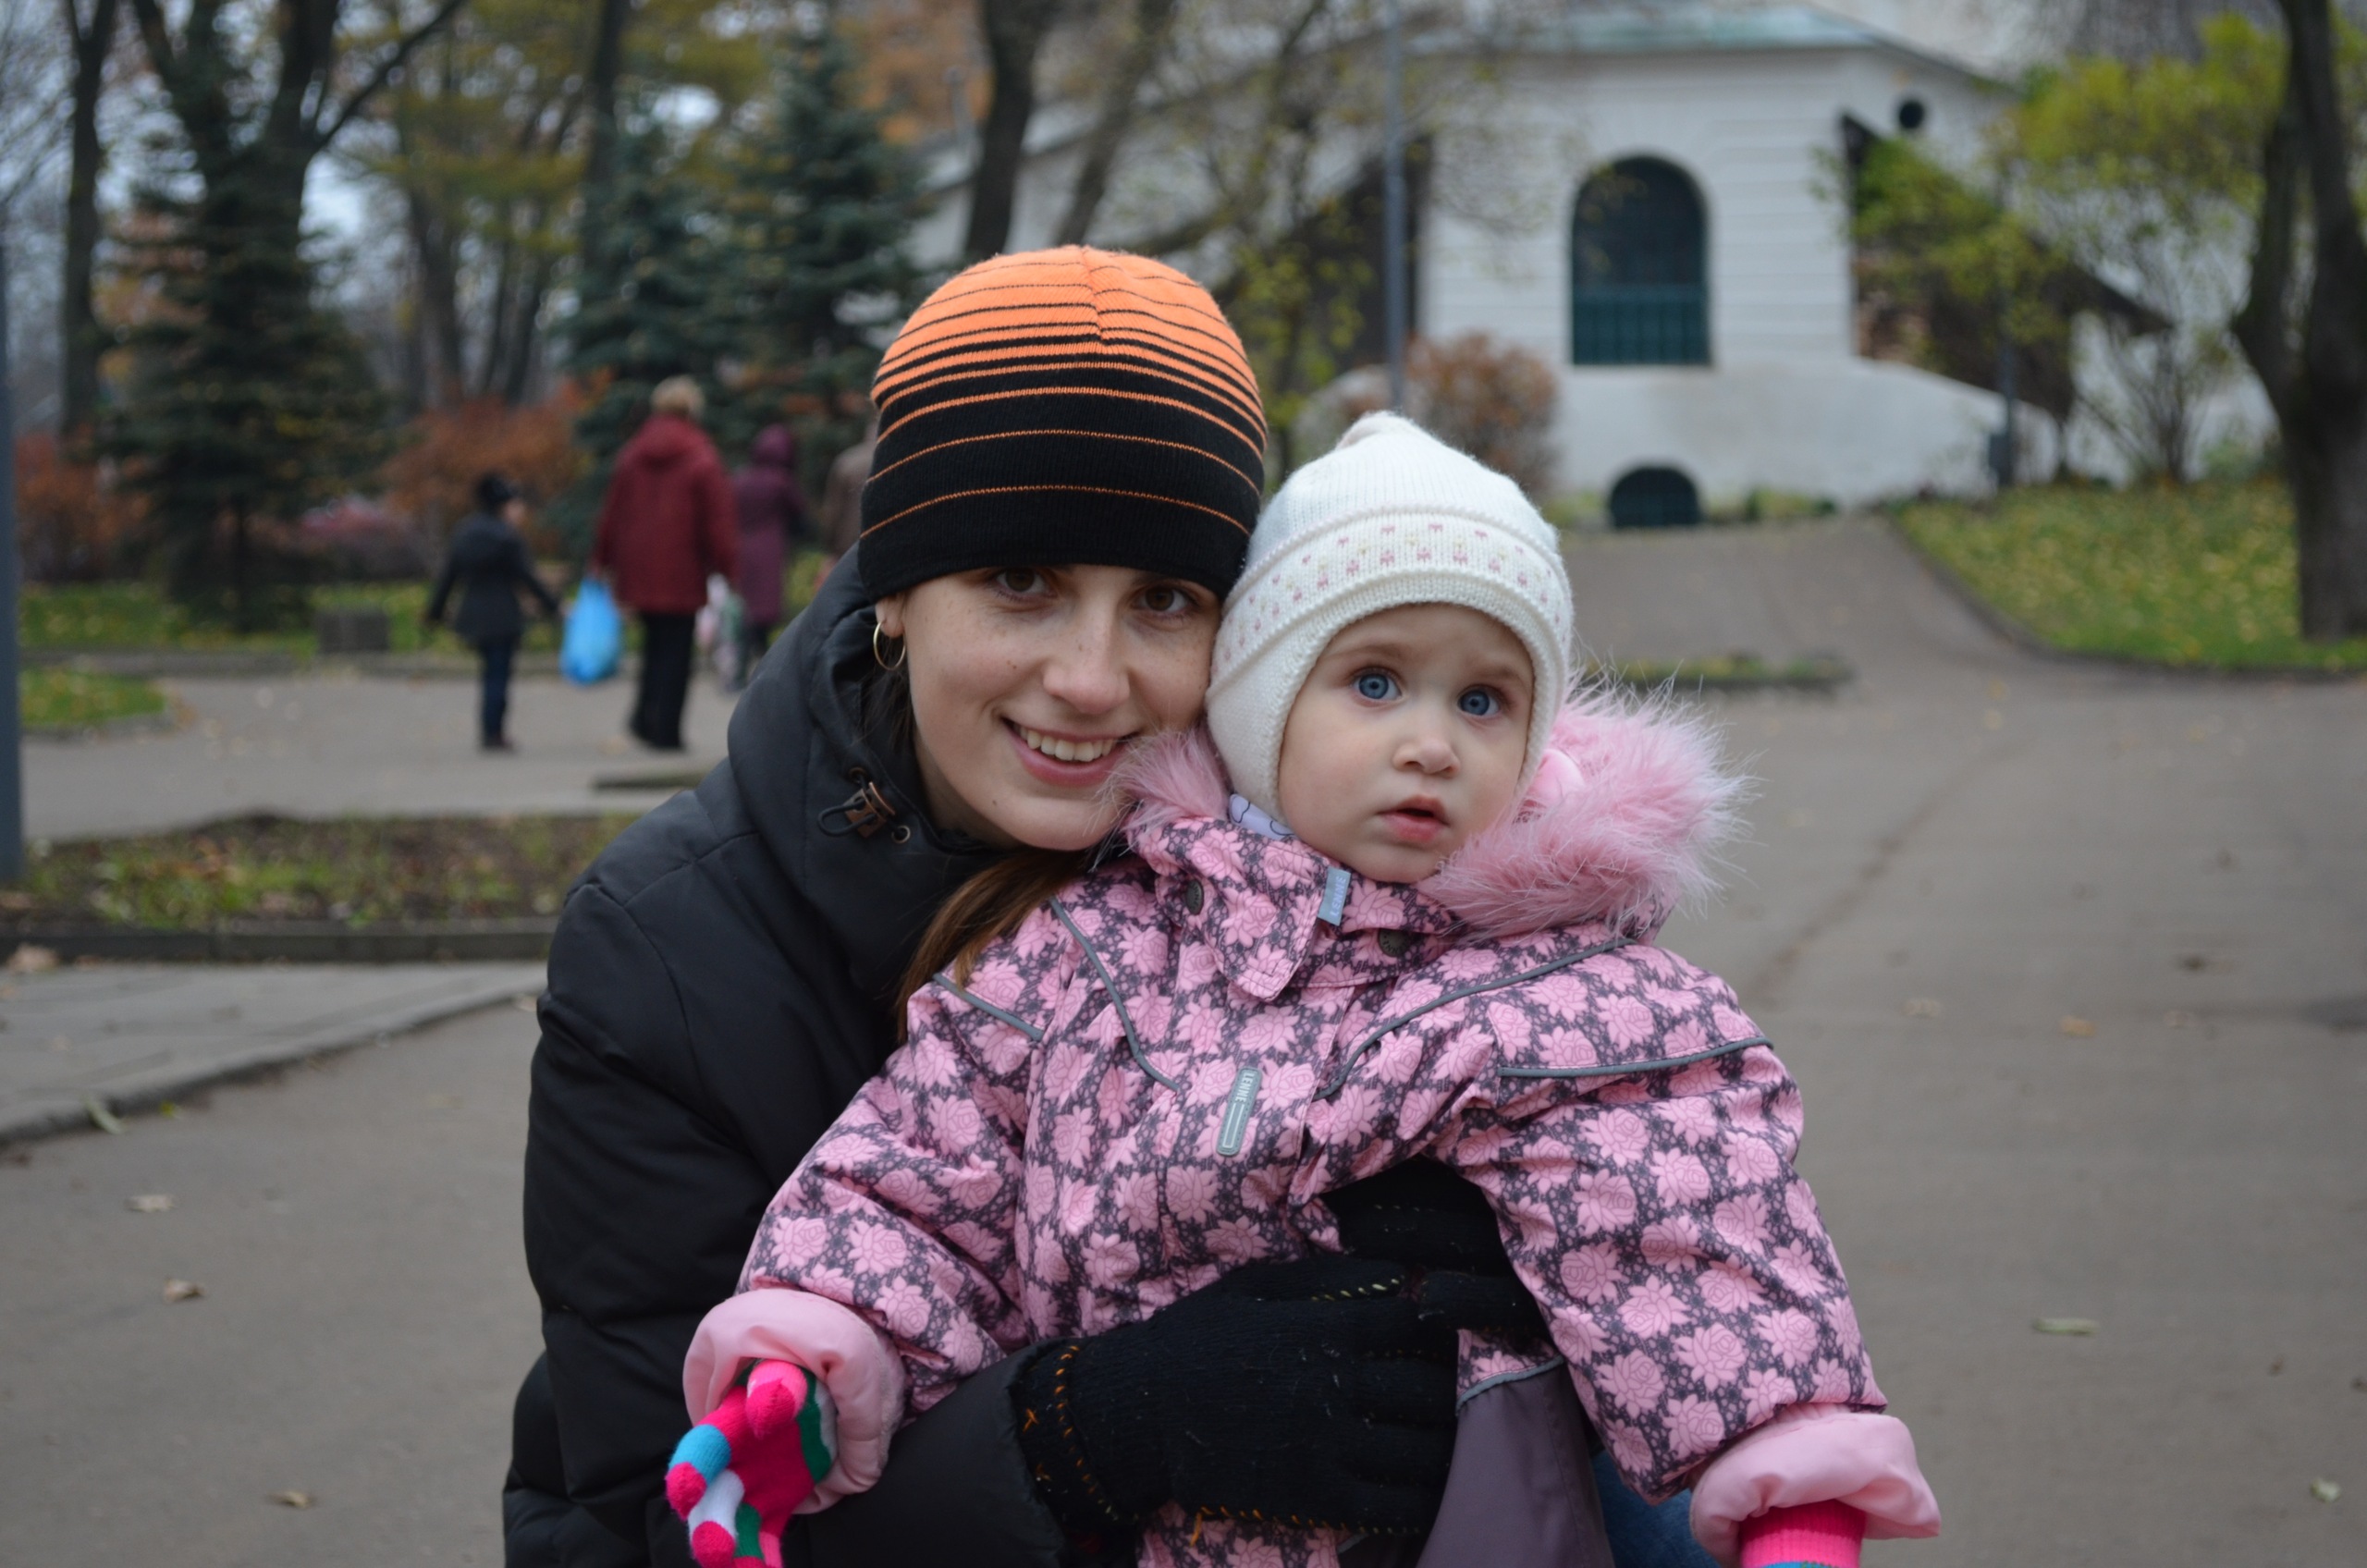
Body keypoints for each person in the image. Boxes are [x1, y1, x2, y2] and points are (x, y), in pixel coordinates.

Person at [506, 248, 1711, 1568]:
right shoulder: (667, 954)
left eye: (1163, 601)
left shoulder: (1353, 876)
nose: (1090, 680)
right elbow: (654, 1524)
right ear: (896, 587)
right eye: (1021, 582)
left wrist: (1536, 1275)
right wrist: (1082, 1434)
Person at [674, 416, 1942, 1568]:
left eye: (1484, 699)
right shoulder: (1089, 953)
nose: (1429, 743)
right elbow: (924, 1175)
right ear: (1261, 708)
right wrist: (813, 1358)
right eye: (1374, 682)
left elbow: (1694, 1239)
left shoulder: (1574, 999)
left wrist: (1789, 1489)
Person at [592, 375, 738, 751]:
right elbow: (717, 521)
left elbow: (612, 513)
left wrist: (601, 560)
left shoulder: (632, 454)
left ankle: (643, 718)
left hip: (638, 570)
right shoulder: (702, 458)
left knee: (653, 645)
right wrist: (728, 567)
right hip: (683, 571)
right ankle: (666, 730)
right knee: (677, 652)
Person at [425, 472, 559, 752]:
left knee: (489, 673)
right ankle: (494, 732)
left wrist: (435, 612)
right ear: (502, 505)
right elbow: (527, 577)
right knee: (499, 676)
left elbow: (449, 577)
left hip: (473, 613)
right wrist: (554, 606)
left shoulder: (464, 532)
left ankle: (489, 729)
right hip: (503, 615)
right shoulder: (506, 537)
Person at [730, 424, 805, 680]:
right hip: (771, 550)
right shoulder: (781, 482)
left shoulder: (740, 479)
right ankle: (767, 667)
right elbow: (800, 513)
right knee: (766, 610)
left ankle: (743, 668)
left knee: (749, 609)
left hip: (743, 547)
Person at [812, 416, 876, 582]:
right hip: (884, 552)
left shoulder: (846, 462)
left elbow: (832, 513)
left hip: (847, 551)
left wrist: (830, 549)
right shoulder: (900, 461)